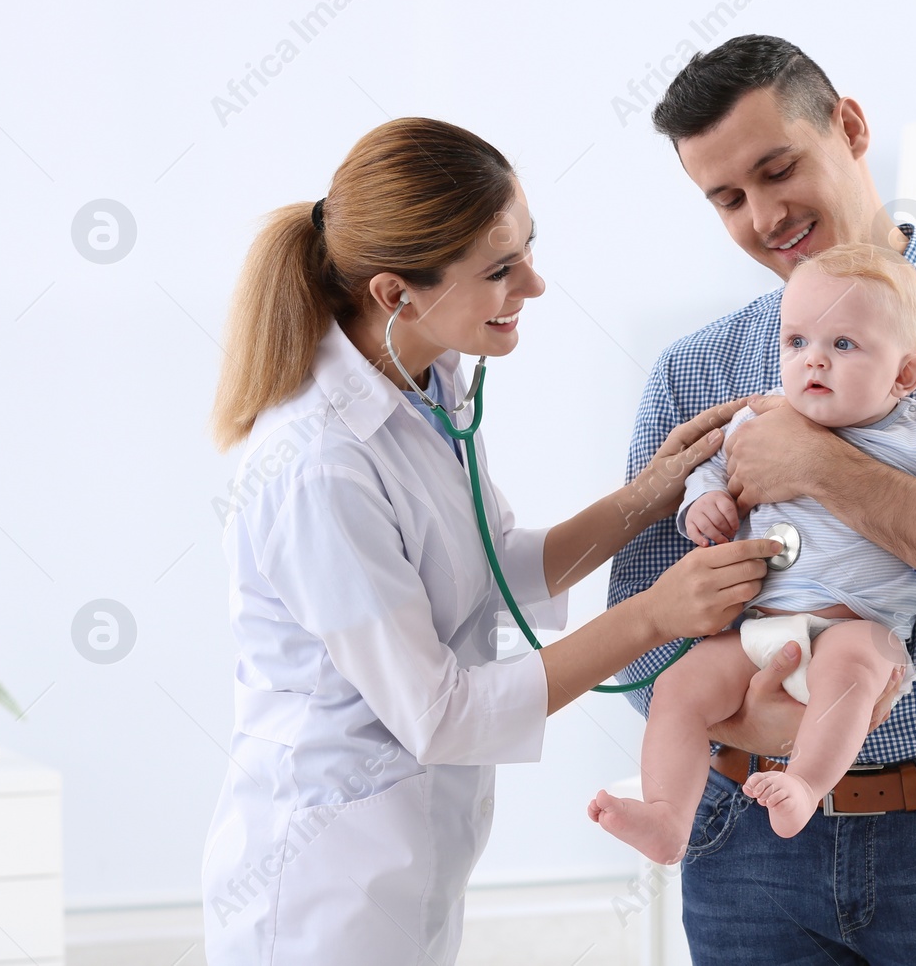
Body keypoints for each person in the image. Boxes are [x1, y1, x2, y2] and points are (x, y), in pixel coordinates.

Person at [199, 116, 780, 966]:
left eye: (528, 249)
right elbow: (438, 712)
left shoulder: (426, 381)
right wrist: (657, 616)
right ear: (397, 293)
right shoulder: (319, 466)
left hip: (410, 861)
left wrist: (650, 496)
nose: (535, 285)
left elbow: (491, 565)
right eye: (500, 269)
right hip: (323, 891)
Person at [608, 35, 916, 964]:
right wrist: (751, 714)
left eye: (777, 167)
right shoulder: (697, 372)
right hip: (744, 842)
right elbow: (644, 626)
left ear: (849, 126)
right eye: (727, 198)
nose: (764, 213)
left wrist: (822, 466)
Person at [590, 242, 916, 861]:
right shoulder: (757, 419)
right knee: (680, 685)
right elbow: (708, 472)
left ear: (904, 375)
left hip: (855, 629)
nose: (813, 360)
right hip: (761, 632)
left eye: (843, 346)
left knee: (852, 668)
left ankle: (805, 783)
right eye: (796, 343)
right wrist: (701, 505)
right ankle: (667, 816)